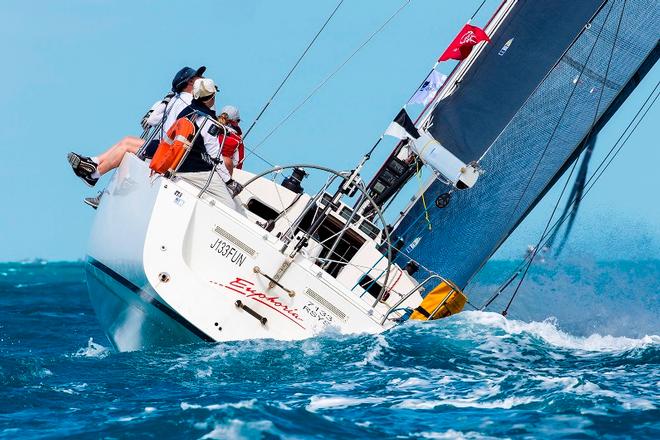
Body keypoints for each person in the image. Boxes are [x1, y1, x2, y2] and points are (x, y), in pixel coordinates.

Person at [67, 66, 206, 187]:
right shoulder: (192, 101)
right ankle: (93, 168)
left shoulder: (173, 100)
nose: (203, 78)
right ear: (190, 82)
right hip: (167, 148)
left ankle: (94, 170)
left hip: (164, 146)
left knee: (127, 144)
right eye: (198, 77)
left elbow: (150, 120)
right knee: (127, 141)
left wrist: (166, 99)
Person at [175, 78, 244, 212]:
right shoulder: (209, 122)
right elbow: (214, 155)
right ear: (212, 97)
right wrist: (230, 181)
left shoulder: (185, 112)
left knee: (233, 198)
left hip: (179, 163)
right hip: (197, 169)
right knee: (230, 207)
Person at [216, 105, 245, 175]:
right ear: (236, 121)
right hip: (221, 172)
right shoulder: (237, 140)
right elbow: (237, 164)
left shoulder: (208, 126)